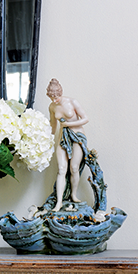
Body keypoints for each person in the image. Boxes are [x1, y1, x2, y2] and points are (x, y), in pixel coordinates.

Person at [46, 78, 89, 211]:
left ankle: (73, 194)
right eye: (52, 97)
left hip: (77, 137)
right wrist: (46, 138)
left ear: (61, 93)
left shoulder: (72, 102)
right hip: (63, 138)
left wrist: (68, 124)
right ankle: (59, 202)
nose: (55, 100)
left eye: (57, 96)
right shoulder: (52, 107)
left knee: (74, 167)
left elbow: (86, 119)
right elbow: (53, 125)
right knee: (61, 169)